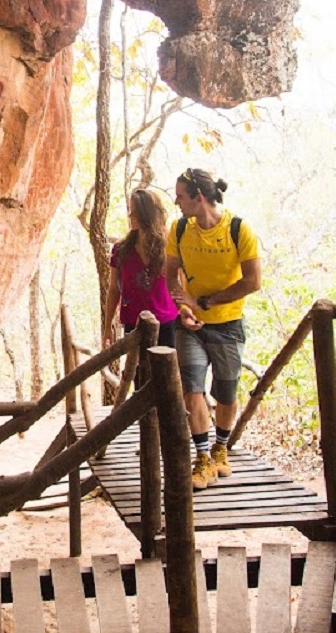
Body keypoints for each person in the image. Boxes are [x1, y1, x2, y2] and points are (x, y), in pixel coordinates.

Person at [165, 168, 262, 490]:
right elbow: (170, 276)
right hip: (190, 327)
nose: (176, 202)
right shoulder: (178, 229)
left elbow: (252, 281)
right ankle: (203, 456)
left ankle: (221, 448)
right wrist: (183, 307)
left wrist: (204, 302)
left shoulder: (239, 229)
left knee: (226, 391)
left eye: (180, 196)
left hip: (228, 325)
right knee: (192, 388)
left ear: (199, 197)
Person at [103, 187, 180, 354]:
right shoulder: (121, 250)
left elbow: (181, 283)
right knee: (138, 375)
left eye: (135, 212)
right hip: (134, 324)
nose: (131, 216)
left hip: (167, 323)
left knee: (167, 376)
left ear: (148, 214)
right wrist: (108, 324)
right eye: (130, 211)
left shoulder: (169, 247)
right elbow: (114, 289)